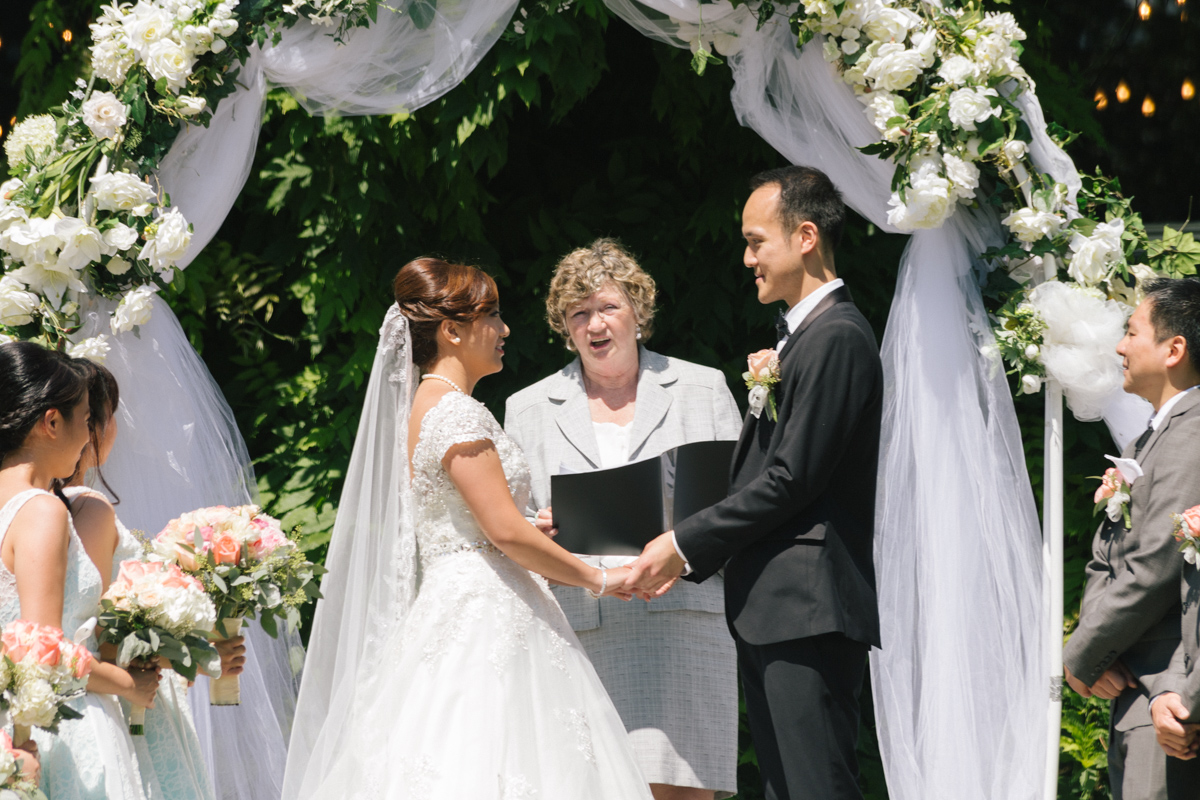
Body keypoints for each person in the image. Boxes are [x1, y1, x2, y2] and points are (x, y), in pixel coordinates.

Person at [283, 257, 654, 799]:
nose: (505, 330)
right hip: (485, 611)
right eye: (493, 316)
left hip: (469, 600)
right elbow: (503, 532)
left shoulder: (431, 406)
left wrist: (531, 528)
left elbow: (487, 524)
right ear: (452, 331)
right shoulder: (456, 414)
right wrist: (602, 580)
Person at [628, 166, 884, 800]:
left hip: (808, 607)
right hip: (780, 609)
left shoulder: (838, 338)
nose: (746, 259)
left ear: (804, 236)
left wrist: (684, 544)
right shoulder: (804, 340)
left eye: (755, 241)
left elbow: (791, 478)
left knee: (815, 786)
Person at [504, 239, 741, 800]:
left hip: (682, 619)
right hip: (582, 629)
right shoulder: (528, 408)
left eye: (607, 307)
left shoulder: (703, 388)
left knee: (682, 792)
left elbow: (743, 506)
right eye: (578, 313)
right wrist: (536, 529)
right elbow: (509, 529)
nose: (594, 324)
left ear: (638, 311)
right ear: (564, 328)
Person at [64, 358, 247, 800]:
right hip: (117, 703)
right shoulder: (84, 509)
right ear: (93, 425)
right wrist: (198, 654)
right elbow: (94, 632)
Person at [1056, 278, 1200, 797]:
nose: (1119, 345)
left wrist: (1081, 657)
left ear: (1173, 349)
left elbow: (1155, 563)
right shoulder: (1154, 433)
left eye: (1132, 332)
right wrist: (1102, 653)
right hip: (1132, 680)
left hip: (1169, 686)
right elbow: (1107, 556)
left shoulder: (1192, 432)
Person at [0, 341, 158, 799]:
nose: (91, 432)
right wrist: (129, 684)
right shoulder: (40, 511)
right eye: (86, 418)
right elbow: (41, 655)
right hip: (56, 734)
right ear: (51, 422)